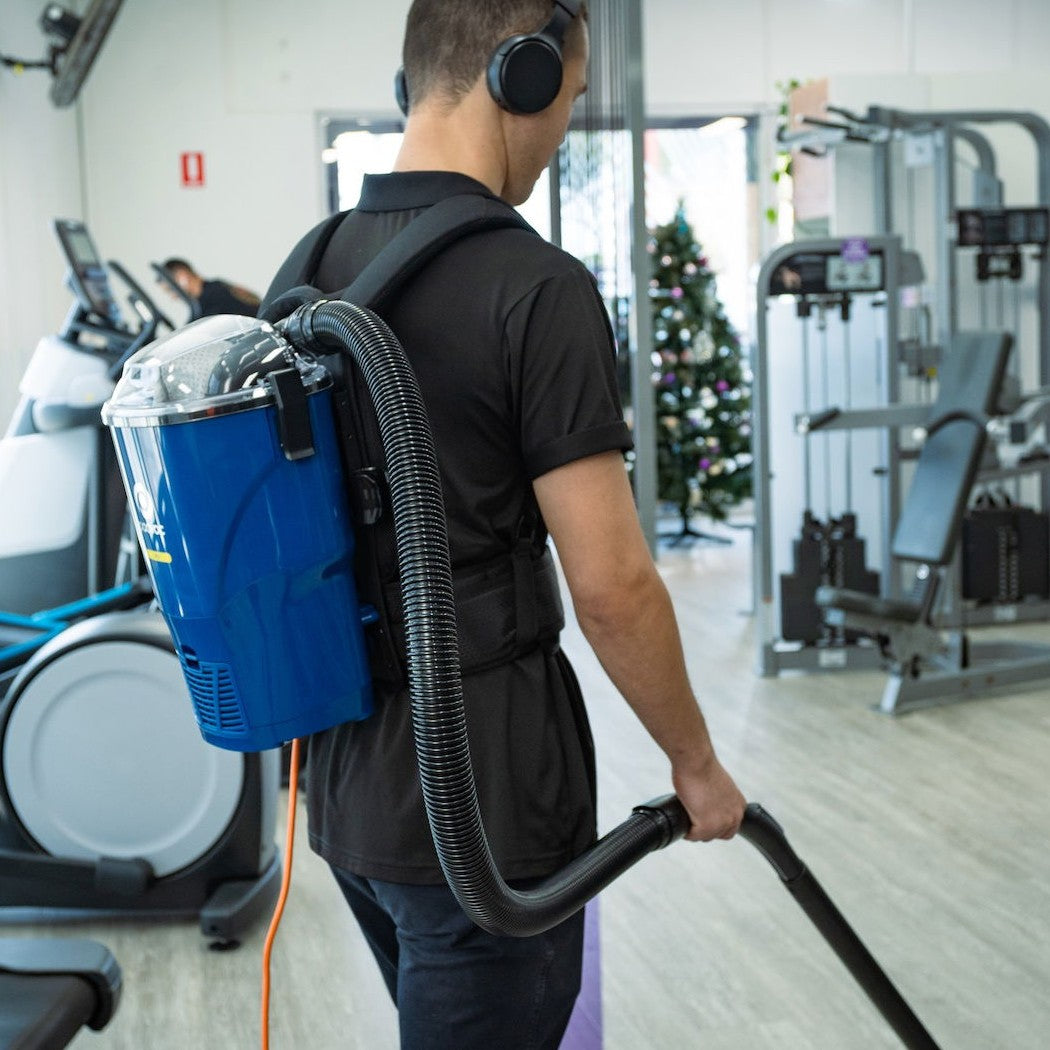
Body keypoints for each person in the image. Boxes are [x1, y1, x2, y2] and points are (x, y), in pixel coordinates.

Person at [266, 2, 747, 1047]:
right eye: (570, 97)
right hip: (491, 815)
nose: (566, 125)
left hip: (352, 803)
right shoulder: (536, 288)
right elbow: (613, 585)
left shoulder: (305, 271)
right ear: (520, 77)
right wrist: (696, 766)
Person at [157, 257, 261, 318]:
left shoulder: (213, 298)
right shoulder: (217, 286)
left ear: (182, 277)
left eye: (170, 290)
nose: (173, 298)